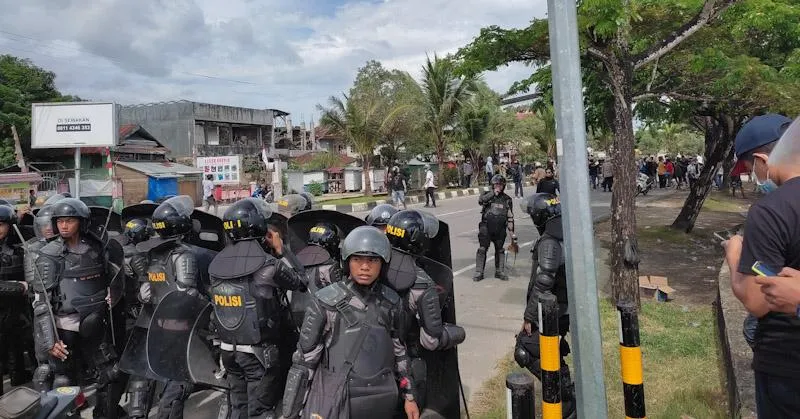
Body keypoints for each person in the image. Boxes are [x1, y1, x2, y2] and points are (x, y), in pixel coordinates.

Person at [281, 226, 419, 419]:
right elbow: (304, 363)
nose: (365, 267)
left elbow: (400, 352)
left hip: (381, 399)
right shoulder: (325, 302)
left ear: (383, 263)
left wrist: (410, 397)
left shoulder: (392, 302)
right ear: (347, 262)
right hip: (337, 400)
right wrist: (290, 413)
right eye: (357, 259)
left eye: (372, 260)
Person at [722, 113, 800, 418]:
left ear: (761, 161)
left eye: (749, 169)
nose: (752, 176)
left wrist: (735, 257)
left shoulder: (772, 211)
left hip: (787, 366)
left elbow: (757, 301)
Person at [209, 197, 307, 419]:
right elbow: (301, 282)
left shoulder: (217, 264)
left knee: (238, 407)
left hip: (228, 350)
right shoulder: (267, 265)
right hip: (258, 352)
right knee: (260, 410)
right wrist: (281, 250)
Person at [32, 198, 123, 418]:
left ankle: (105, 414)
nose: (64, 225)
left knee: (109, 373)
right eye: (60, 221)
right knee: (64, 379)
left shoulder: (97, 248)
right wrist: (49, 340)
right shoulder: (49, 254)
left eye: (70, 220)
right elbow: (41, 302)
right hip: (64, 326)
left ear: (82, 222)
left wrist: (112, 294)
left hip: (96, 321)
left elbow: (114, 278)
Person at [384, 210, 466, 410]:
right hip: (404, 360)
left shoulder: (373, 264)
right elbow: (430, 341)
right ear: (418, 241)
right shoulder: (422, 283)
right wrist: (456, 334)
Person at [136, 196, 200, 419]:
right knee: (179, 382)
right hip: (179, 326)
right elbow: (186, 292)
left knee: (159, 377)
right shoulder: (182, 254)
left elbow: (146, 291)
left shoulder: (153, 252)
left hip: (157, 323)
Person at [514, 193, 576, 419]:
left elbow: (544, 280)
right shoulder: (562, 233)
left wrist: (530, 316)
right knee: (547, 350)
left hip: (554, 311)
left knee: (526, 348)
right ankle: (565, 398)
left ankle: (567, 397)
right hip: (561, 307)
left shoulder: (550, 241)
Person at [120, 218, 154, 419]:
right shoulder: (138, 256)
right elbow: (146, 289)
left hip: (121, 314)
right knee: (141, 363)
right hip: (139, 313)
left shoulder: (116, 251)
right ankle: (137, 410)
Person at [0, 204, 32, 394]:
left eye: (1, 224)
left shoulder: (18, 247)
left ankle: (18, 375)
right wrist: (19, 287)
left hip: (18, 308)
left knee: (16, 342)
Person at [474, 175, 516, 282]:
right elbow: (481, 201)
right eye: (496, 184)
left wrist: (512, 233)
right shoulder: (486, 195)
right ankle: (479, 272)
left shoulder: (507, 199)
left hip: (500, 228)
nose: (498, 186)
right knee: (482, 249)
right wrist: (493, 193)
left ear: (503, 186)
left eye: (500, 184)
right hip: (486, 227)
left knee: (500, 250)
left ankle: (499, 271)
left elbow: (510, 217)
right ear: (492, 185)